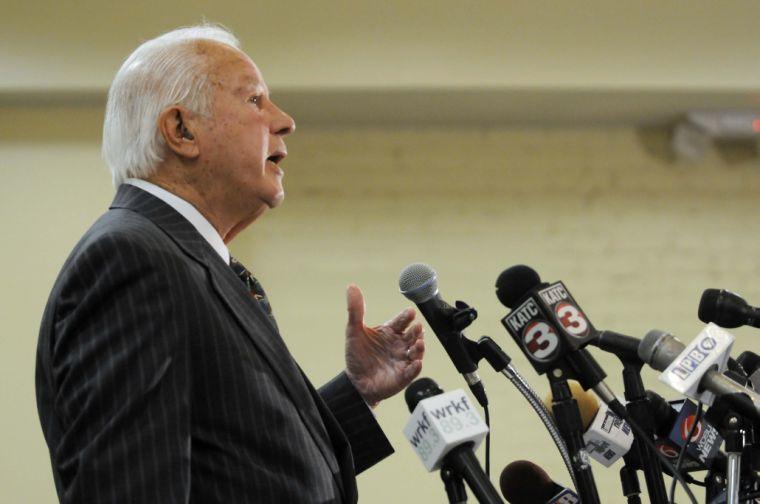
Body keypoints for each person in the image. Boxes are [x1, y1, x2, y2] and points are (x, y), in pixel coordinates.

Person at [36, 24, 425, 503]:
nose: (284, 121)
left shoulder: (184, 262)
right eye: (255, 101)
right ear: (182, 131)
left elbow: (242, 469)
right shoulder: (133, 261)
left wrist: (357, 393)